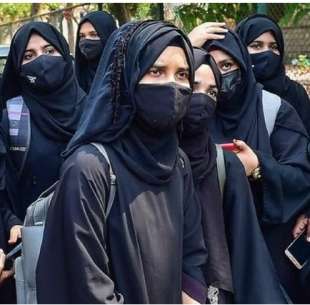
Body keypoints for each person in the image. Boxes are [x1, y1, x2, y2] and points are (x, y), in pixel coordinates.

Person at [36, 20, 207, 304]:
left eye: (182, 74)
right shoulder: (88, 168)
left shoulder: (178, 164)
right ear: (126, 78)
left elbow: (192, 253)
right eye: (155, 71)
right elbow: (87, 286)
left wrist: (193, 294)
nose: (172, 85)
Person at [189, 27, 310, 303]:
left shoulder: (273, 110)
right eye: (211, 65)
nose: (220, 75)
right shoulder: (188, 111)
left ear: (242, 65)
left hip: (268, 252)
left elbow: (303, 175)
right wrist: (186, 44)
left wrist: (258, 167)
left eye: (228, 65)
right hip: (204, 251)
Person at [0, 21, 86, 225]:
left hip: (93, 240)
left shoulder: (93, 111)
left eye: (49, 50)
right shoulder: (13, 118)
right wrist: (11, 222)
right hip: (35, 240)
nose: (42, 61)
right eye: (28, 56)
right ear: (18, 68)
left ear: (65, 54)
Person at [236, 14, 310, 135]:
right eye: (256, 45)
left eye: (274, 47)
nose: (267, 52)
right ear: (240, 49)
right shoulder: (231, 92)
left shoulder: (295, 93)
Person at [75, 11, 117, 93]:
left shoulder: (123, 74)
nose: (86, 40)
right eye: (82, 36)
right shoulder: (77, 76)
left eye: (93, 35)